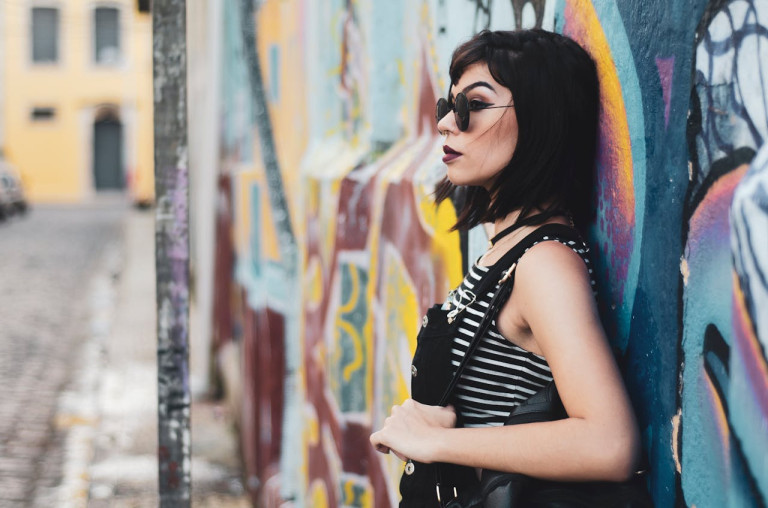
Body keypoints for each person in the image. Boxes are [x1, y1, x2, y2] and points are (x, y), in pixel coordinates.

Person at [369, 29, 641, 506]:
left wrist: (437, 442)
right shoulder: (507, 250)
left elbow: (609, 442)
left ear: (540, 120)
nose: (447, 124)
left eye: (473, 105)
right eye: (448, 106)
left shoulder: (545, 264)